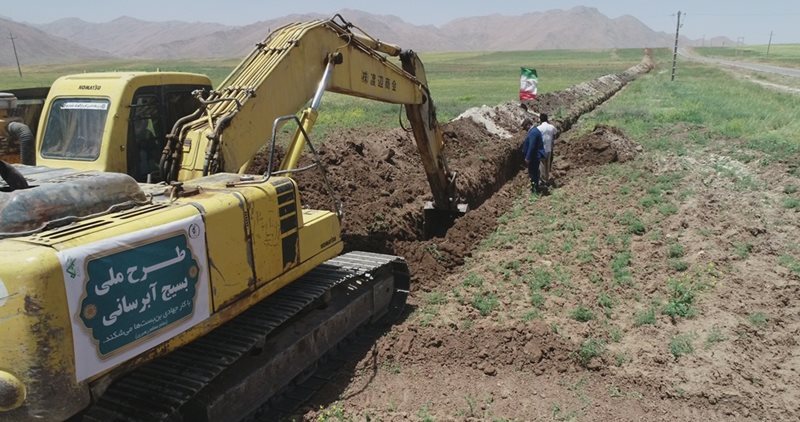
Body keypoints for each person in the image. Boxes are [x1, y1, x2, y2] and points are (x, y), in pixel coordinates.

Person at [521, 117, 545, 194]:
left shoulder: (533, 132)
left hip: (534, 157)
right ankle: (535, 188)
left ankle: (535, 190)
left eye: (525, 128)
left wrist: (527, 158)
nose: (525, 130)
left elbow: (532, 146)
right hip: (534, 156)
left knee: (533, 173)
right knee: (534, 173)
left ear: (528, 125)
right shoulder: (534, 131)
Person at [537, 113, 557, 187]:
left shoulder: (539, 128)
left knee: (542, 164)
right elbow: (555, 132)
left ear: (540, 120)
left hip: (541, 149)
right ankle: (547, 179)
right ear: (547, 119)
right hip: (549, 148)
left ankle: (543, 181)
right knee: (547, 164)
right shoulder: (551, 127)